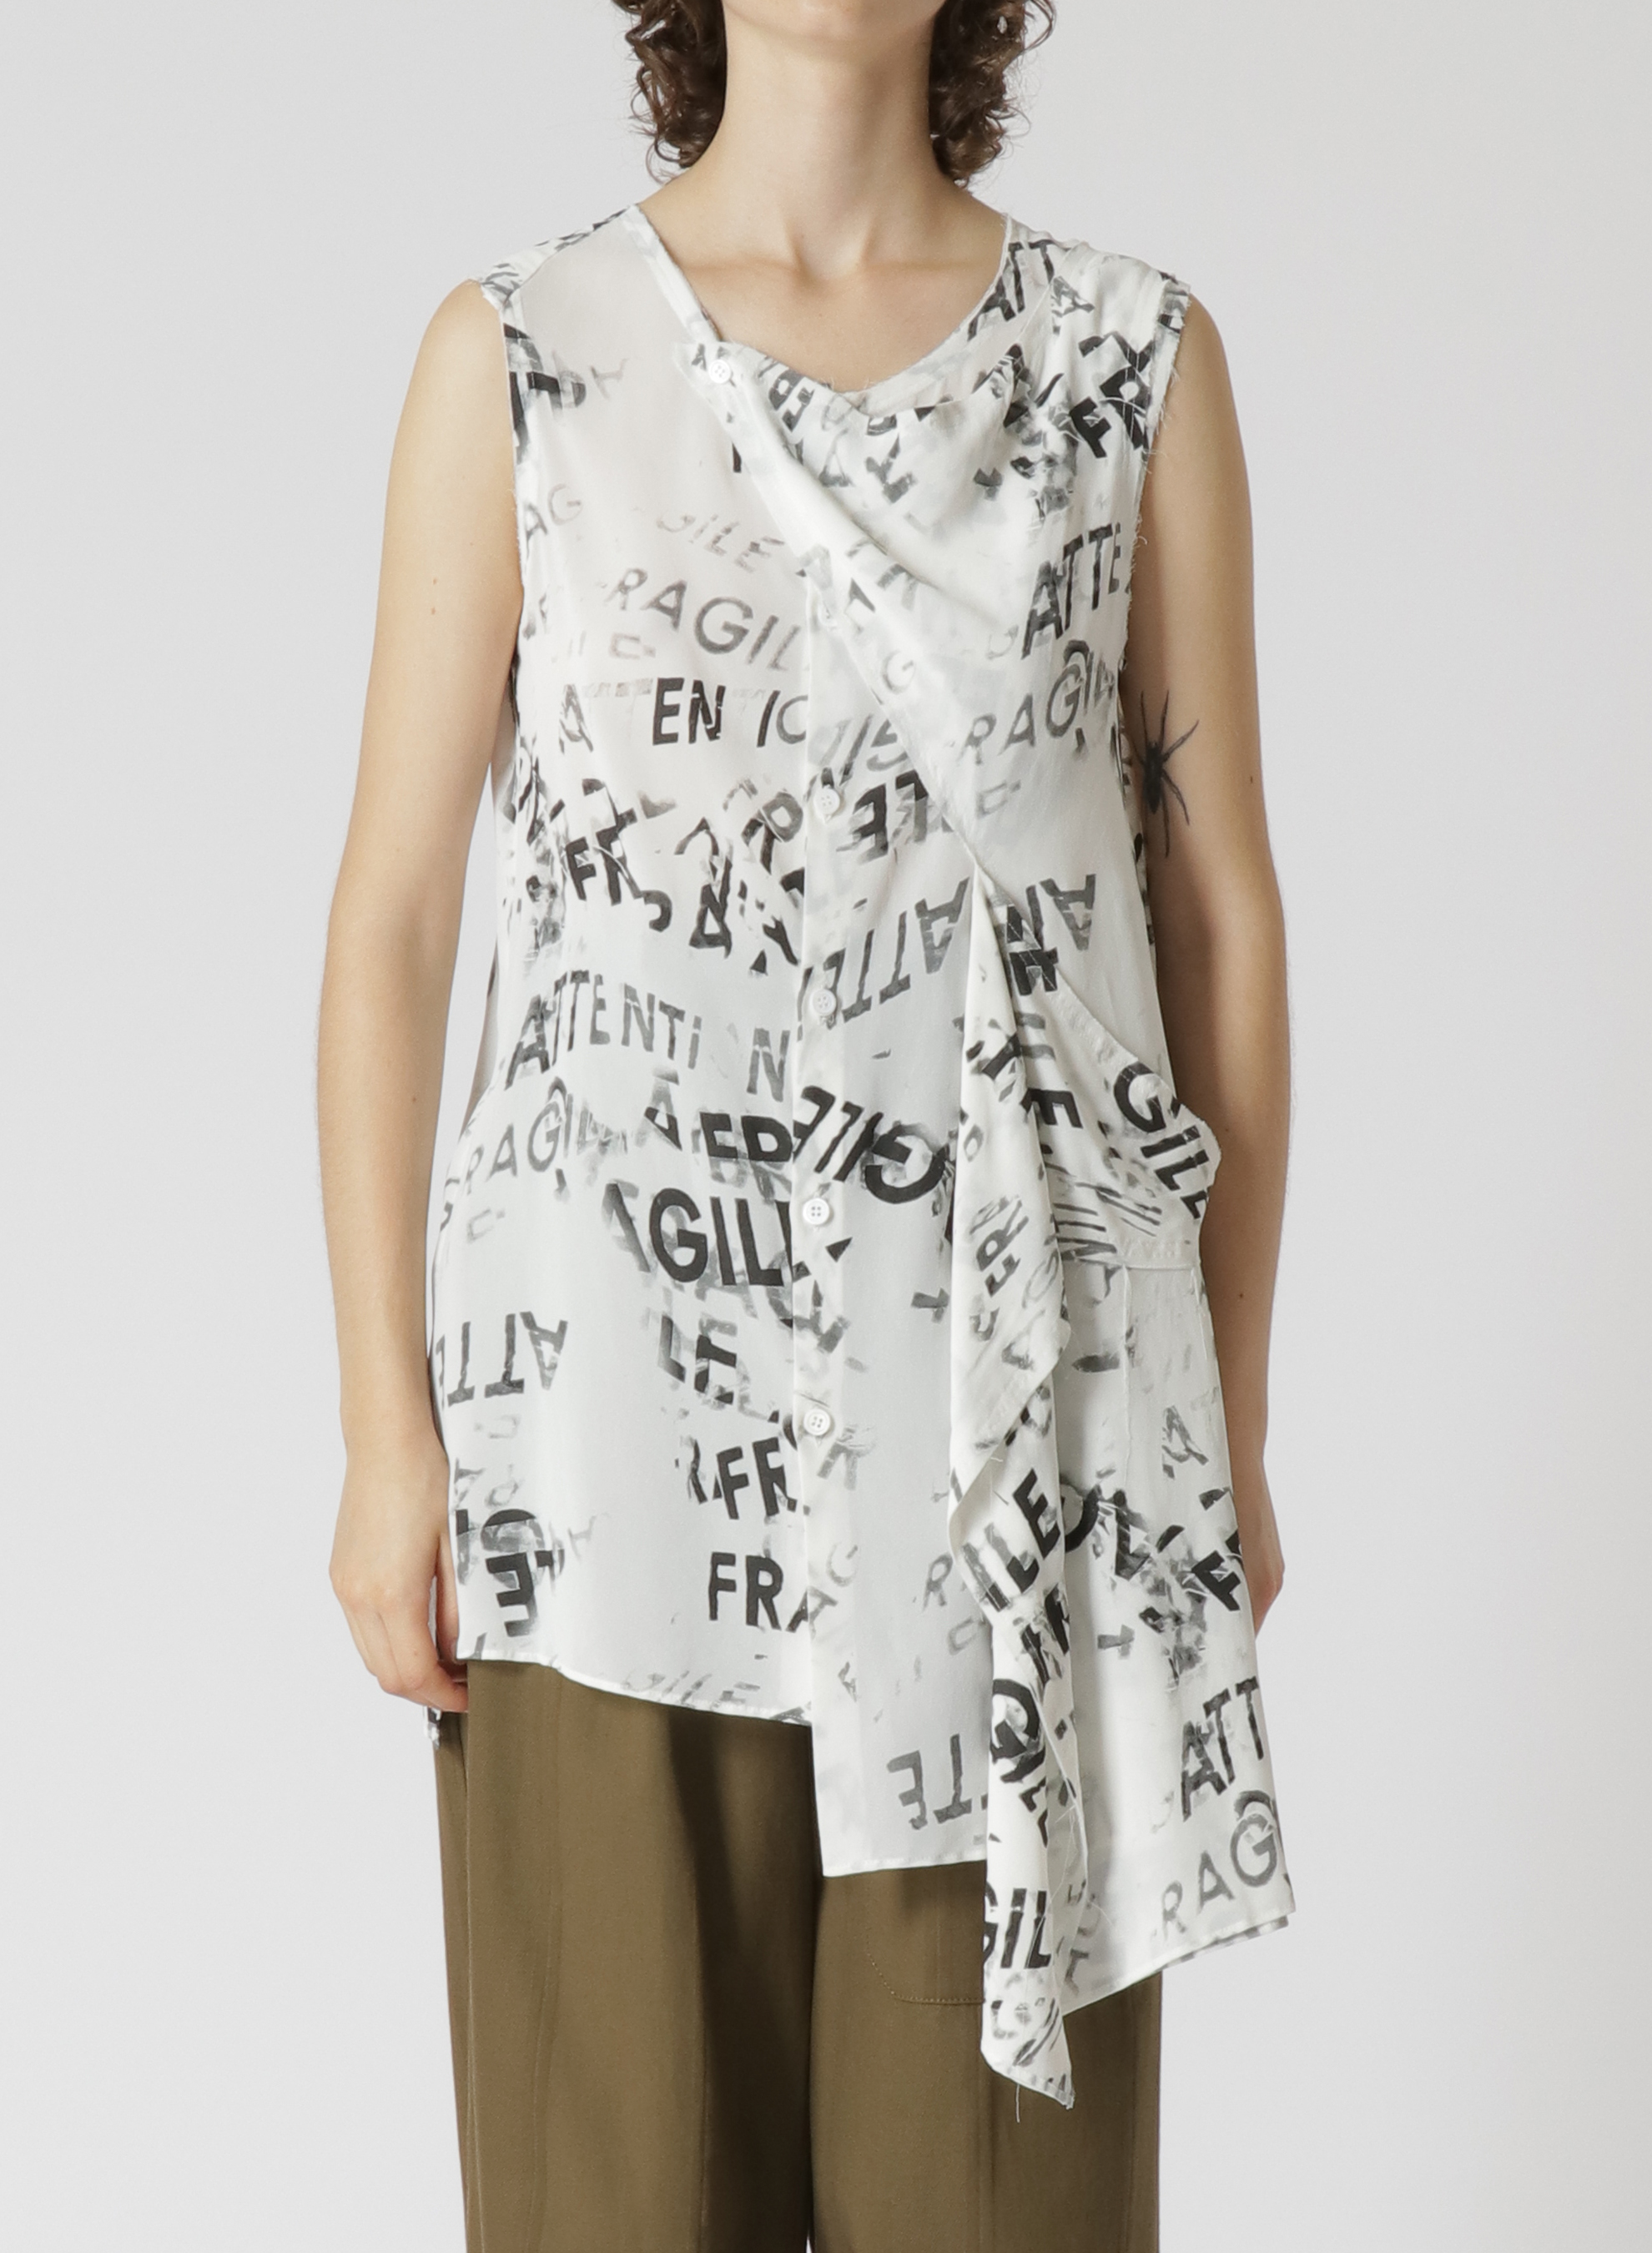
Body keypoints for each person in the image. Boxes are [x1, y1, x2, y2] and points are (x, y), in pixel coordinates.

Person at [318, 2, 1294, 2245]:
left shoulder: (1129, 362)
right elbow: (392, 917)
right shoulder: (522, 357)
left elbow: (1215, 915)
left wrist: (1226, 1435)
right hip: (595, 1473)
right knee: (608, 2199)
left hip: (1020, 1481)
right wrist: (386, 1436)